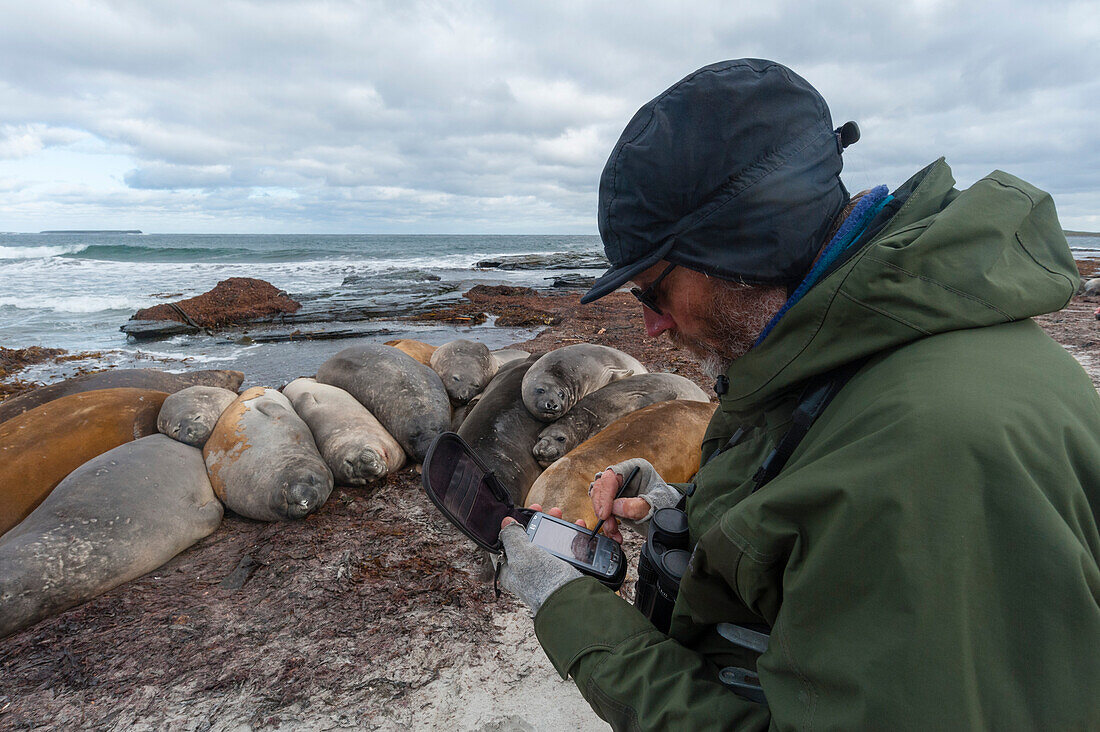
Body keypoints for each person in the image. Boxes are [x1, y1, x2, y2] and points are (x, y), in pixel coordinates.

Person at [496, 59, 1100, 729]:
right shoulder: (876, 347)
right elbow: (828, 493)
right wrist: (692, 510)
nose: (651, 323)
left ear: (749, 240)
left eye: (656, 289)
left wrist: (577, 620)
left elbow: (875, 504)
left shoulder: (924, 462)